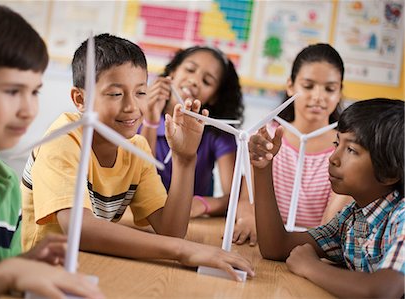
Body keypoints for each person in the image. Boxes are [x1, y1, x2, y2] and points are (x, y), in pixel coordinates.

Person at [21, 33, 254, 281]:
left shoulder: (137, 147)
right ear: (80, 99)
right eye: (115, 94)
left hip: (92, 267)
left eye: (140, 92)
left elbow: (171, 230)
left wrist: (185, 159)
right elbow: (80, 229)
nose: (132, 106)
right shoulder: (63, 138)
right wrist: (184, 251)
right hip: (40, 273)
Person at [0, 2, 103, 298]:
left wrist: (24, 263)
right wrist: (10, 272)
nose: (29, 110)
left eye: (34, 91)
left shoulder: (7, 186)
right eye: (12, 91)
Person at [249, 98, 404, 297]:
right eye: (336, 143)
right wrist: (263, 169)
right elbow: (276, 247)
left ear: (390, 172)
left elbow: (383, 292)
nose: (333, 158)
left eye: (351, 150)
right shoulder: (351, 219)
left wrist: (311, 267)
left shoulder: (401, 219)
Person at [234, 43, 353, 245]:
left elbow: (331, 225)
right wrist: (247, 218)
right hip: (261, 244)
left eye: (330, 89)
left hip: (311, 251)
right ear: (290, 86)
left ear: (339, 92)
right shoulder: (265, 136)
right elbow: (247, 199)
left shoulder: (347, 149)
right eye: (308, 86)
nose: (318, 96)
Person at [140, 46, 249, 219]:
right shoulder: (136, 116)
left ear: (214, 97)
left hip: (190, 223)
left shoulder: (218, 134)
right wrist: (150, 120)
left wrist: (203, 204)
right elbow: (137, 179)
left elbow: (235, 196)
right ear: (173, 72)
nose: (194, 81)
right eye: (190, 69)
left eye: (207, 81)